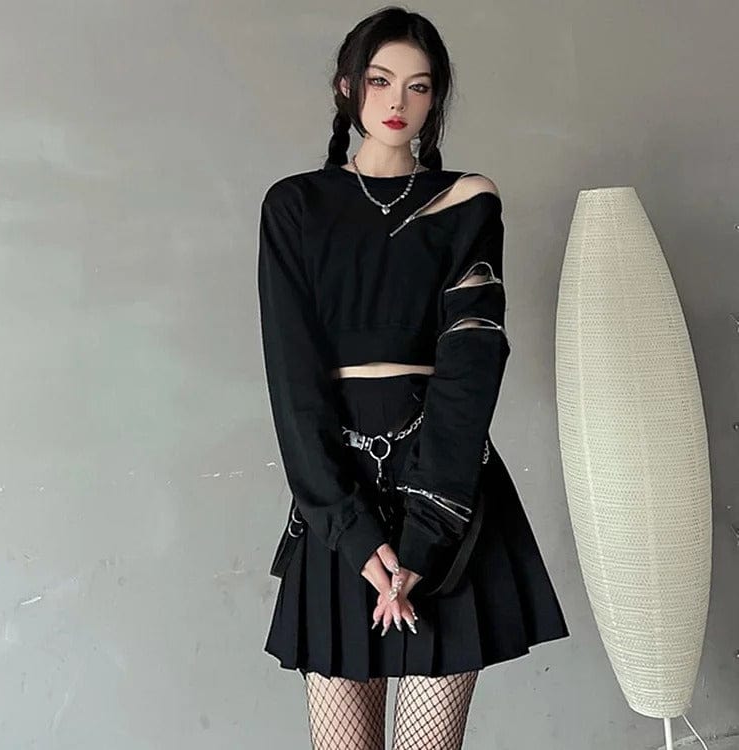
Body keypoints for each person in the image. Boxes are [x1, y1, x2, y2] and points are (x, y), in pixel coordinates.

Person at [257, 7, 570, 749]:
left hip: (448, 490)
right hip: (337, 501)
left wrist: (428, 535)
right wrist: (351, 530)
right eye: (379, 80)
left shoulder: (468, 201)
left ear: (436, 100)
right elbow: (293, 383)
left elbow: (473, 364)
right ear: (346, 87)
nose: (398, 102)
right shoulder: (295, 206)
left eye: (419, 86)